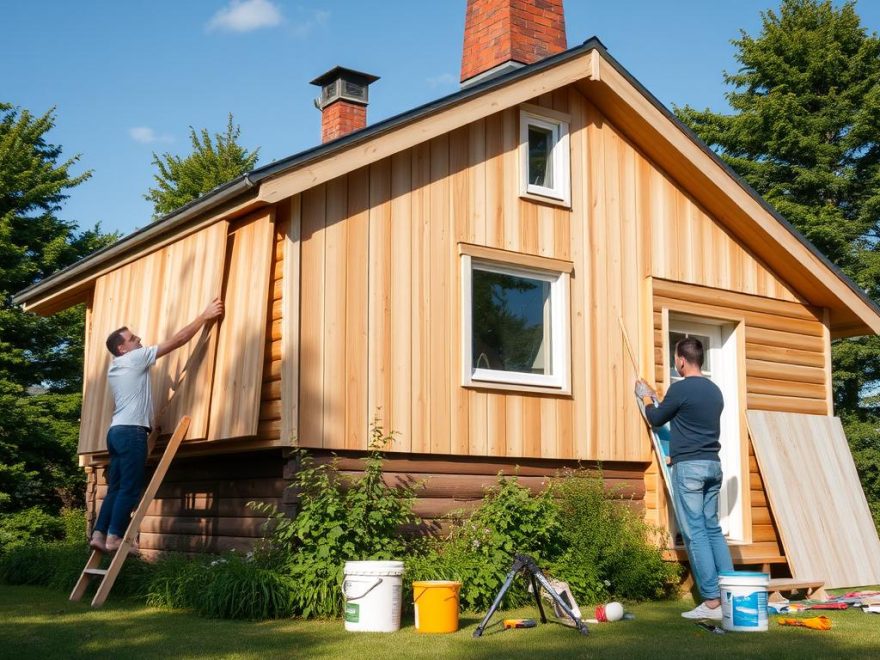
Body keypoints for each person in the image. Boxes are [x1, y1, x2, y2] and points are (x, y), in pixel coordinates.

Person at [89, 298, 224, 554]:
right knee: (129, 487)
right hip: (131, 433)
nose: (139, 339)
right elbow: (178, 340)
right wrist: (204, 316)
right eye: (133, 338)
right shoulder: (134, 358)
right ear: (122, 348)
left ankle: (99, 534)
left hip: (116, 433)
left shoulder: (117, 366)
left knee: (116, 487)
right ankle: (115, 538)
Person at [635, 336, 733, 620]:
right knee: (712, 528)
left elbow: (656, 418)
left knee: (695, 532)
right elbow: (686, 420)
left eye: (675, 359)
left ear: (681, 360)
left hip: (689, 468)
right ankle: (729, 593)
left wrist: (645, 397)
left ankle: (712, 601)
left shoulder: (681, 389)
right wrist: (657, 398)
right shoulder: (715, 391)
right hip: (713, 465)